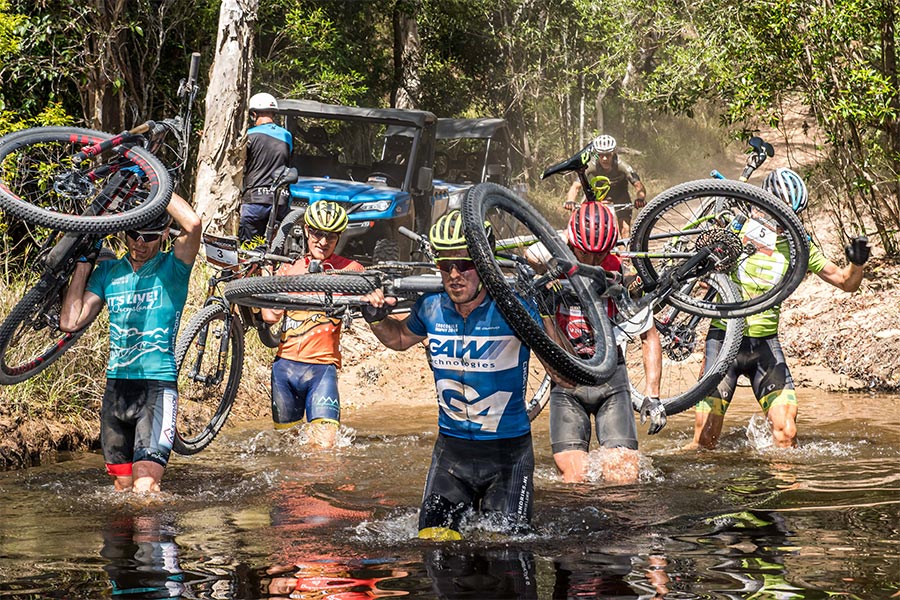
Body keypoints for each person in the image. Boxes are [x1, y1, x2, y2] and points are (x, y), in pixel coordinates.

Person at [360, 210, 545, 540]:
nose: (454, 275)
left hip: (507, 457)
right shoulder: (430, 305)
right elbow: (401, 338)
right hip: (452, 454)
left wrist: (545, 309)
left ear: (485, 261)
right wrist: (376, 319)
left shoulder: (514, 307)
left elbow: (563, 373)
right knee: (434, 546)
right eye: (445, 266)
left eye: (465, 264)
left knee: (508, 551)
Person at [686, 167, 870, 450]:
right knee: (705, 439)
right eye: (780, 214)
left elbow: (845, 282)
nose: (785, 223)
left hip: (765, 346)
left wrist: (857, 263)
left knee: (786, 433)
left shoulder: (799, 246)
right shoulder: (739, 230)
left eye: (793, 215)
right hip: (724, 340)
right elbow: (701, 277)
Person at [60, 193, 202, 492]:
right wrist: (84, 263)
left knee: (145, 487)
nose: (140, 243)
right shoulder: (109, 272)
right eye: (133, 234)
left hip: (156, 386)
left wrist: (155, 183)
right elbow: (70, 322)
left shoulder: (172, 268)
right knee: (122, 492)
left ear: (164, 234)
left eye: (149, 236)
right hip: (116, 389)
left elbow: (192, 223)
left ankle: (159, 538)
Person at [546, 201, 666, 484]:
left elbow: (649, 336)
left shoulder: (620, 275)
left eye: (599, 256)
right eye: (584, 253)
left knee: (623, 479)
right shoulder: (555, 255)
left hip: (611, 381)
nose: (590, 262)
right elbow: (529, 255)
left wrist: (653, 396)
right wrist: (561, 240)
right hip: (567, 383)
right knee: (574, 481)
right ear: (571, 242)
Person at [261, 201, 363, 448]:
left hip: (322, 371)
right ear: (306, 230)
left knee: (324, 449)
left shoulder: (351, 270)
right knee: (286, 451)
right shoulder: (289, 268)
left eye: (330, 236)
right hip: (284, 369)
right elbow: (270, 317)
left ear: (339, 237)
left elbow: (372, 301)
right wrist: (266, 277)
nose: (323, 242)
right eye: (317, 233)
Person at [563, 134, 647, 238]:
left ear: (613, 152)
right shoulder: (591, 164)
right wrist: (570, 201)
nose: (605, 158)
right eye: (601, 154)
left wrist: (640, 198)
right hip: (598, 193)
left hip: (620, 194)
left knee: (625, 229)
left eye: (608, 154)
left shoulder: (621, 165)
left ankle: (625, 253)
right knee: (585, 223)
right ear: (597, 153)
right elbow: (576, 186)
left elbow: (638, 185)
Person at [240, 92, 293, 242]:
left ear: (254, 114)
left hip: (254, 200)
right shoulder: (287, 136)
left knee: (248, 247)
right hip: (280, 201)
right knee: (275, 246)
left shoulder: (249, 135)